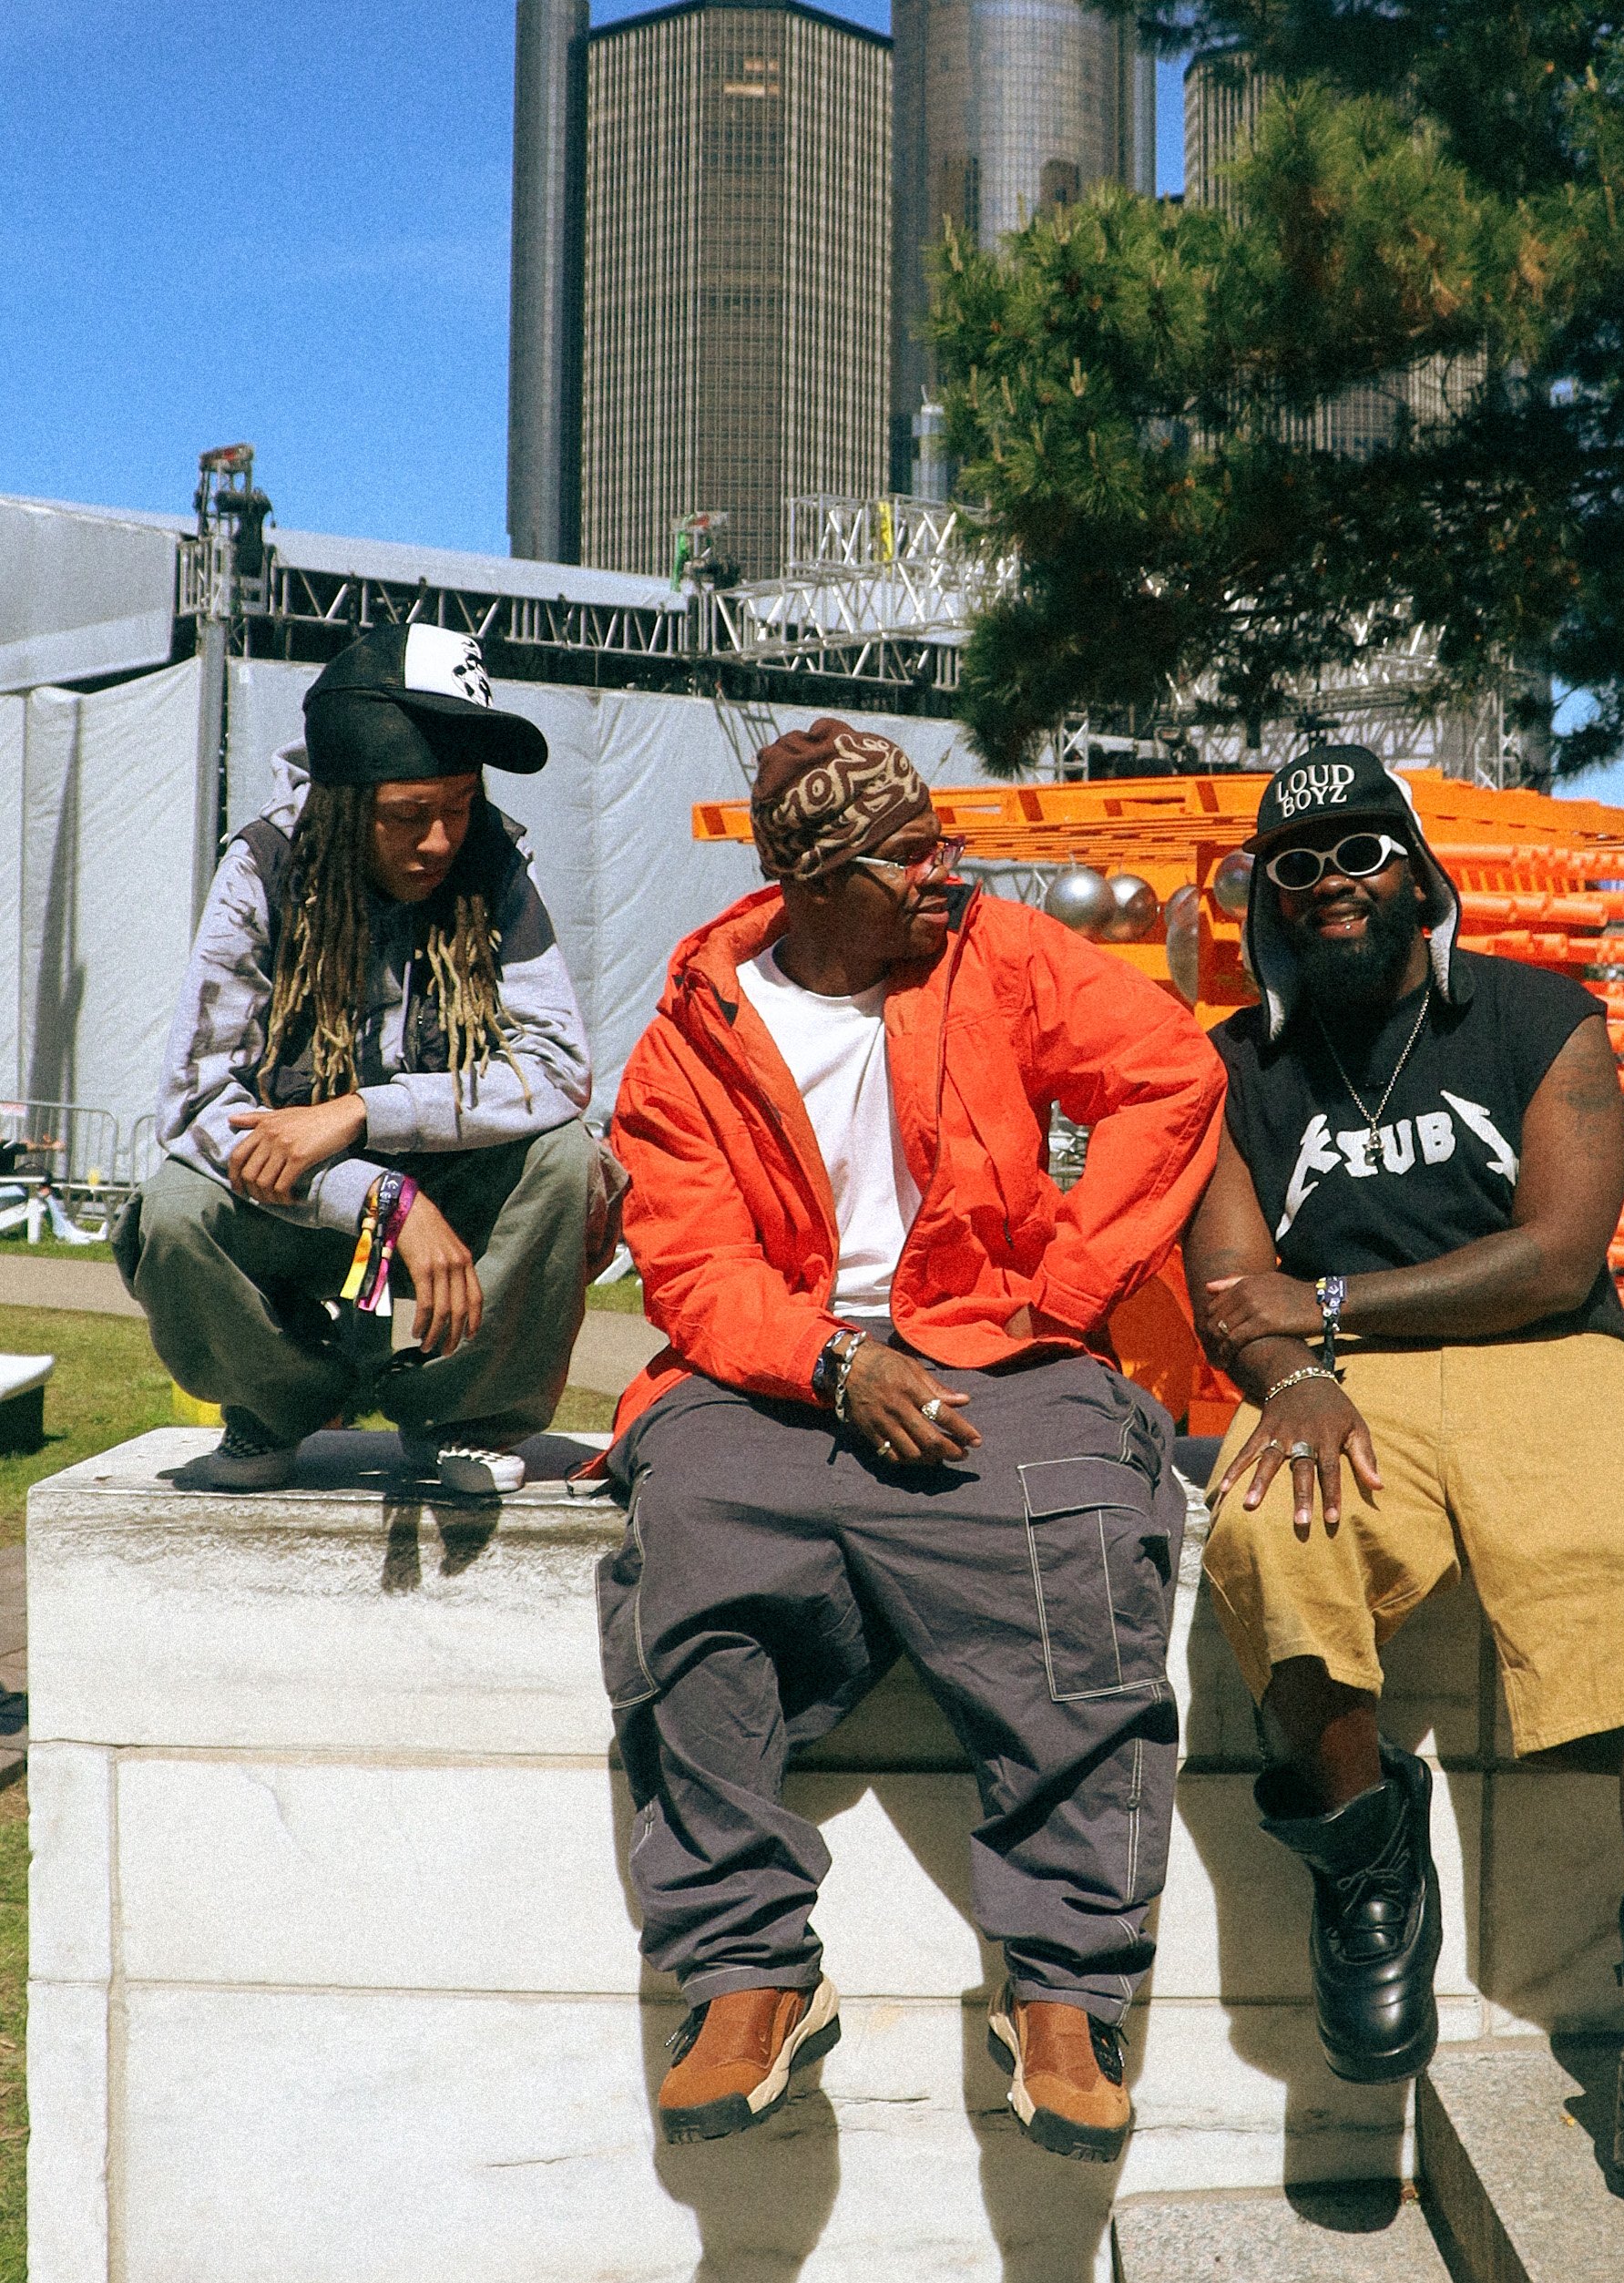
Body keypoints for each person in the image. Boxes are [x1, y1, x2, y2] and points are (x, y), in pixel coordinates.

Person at [1181, 743, 1624, 2190]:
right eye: (1298, 864)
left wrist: (1325, 1302)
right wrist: (1293, 1370)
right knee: (1273, 1534)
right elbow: (1230, 1287)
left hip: (1546, 1351)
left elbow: (1554, 1254)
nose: (1332, 882)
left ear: (1418, 875)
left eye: (1362, 853)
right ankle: (1367, 1862)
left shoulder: (1539, 1015)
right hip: (1336, 1381)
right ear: (1269, 901)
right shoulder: (1233, 1066)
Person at [597, 720, 1223, 2157]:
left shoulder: (998, 953)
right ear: (819, 881)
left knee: (1080, 1530)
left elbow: (1168, 1073)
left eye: (943, 841)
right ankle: (748, 1972)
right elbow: (693, 1268)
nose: (947, 871)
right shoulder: (694, 1032)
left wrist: (1065, 1292)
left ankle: (1062, 1994)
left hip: (993, 1343)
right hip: (776, 1364)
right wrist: (832, 1363)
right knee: (691, 1536)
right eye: (910, 855)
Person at [118, 620, 615, 1494]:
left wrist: (361, 1112)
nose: (440, 840)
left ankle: (464, 1413)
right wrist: (381, 1198)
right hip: (300, 1203)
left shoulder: (494, 862)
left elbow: (557, 1064)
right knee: (173, 1211)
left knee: (568, 1161)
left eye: (459, 803)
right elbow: (195, 1102)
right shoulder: (262, 869)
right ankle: (280, 1401)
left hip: (453, 1195)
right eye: (407, 815)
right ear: (347, 803)